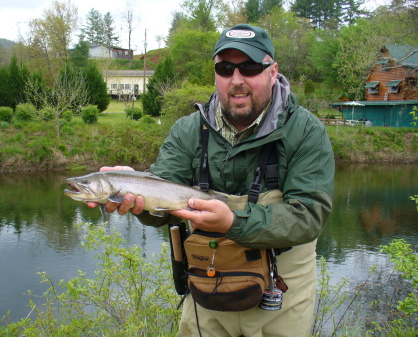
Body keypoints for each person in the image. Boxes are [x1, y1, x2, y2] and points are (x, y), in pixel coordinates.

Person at [90, 24, 335, 337]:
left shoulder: (306, 132)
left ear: (272, 72)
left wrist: (233, 221)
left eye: (249, 67)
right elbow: (159, 204)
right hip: (206, 298)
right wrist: (134, 189)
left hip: (281, 300)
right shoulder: (188, 131)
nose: (236, 80)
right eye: (225, 68)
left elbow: (309, 216)